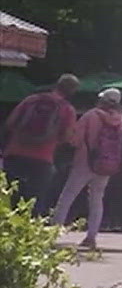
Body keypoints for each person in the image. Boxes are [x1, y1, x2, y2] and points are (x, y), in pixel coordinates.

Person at [50, 88, 122, 251]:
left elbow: (75, 140)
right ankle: (91, 237)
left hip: (84, 162)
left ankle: (53, 234)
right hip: (105, 165)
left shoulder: (91, 115)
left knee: (67, 197)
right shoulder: (121, 120)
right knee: (97, 199)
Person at [2, 74, 80, 217]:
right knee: (35, 198)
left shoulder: (31, 100)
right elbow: (67, 137)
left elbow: (10, 122)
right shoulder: (67, 109)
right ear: (73, 91)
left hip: (14, 153)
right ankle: (27, 234)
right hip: (42, 158)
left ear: (57, 84)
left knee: (9, 196)